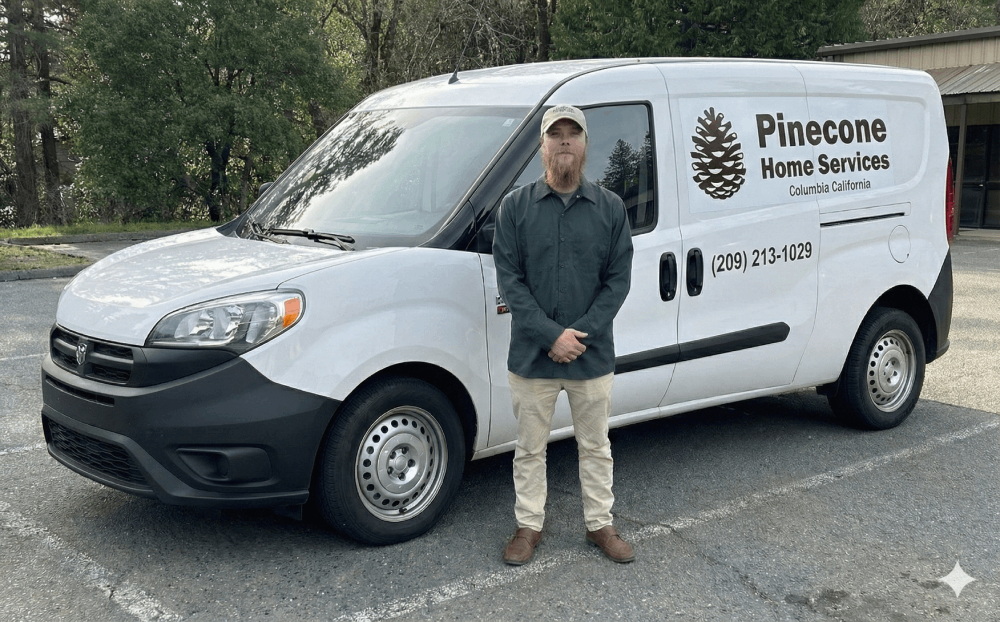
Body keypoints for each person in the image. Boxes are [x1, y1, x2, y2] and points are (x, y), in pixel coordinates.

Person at [493, 104, 635, 565]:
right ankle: (528, 526)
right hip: (532, 357)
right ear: (542, 146)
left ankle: (600, 525)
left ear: (585, 145)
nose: (566, 141)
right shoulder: (515, 208)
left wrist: (580, 336)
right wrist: (551, 336)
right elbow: (510, 282)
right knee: (529, 449)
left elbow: (618, 282)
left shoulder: (610, 209)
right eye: (557, 134)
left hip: (591, 358)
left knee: (596, 447)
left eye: (574, 133)